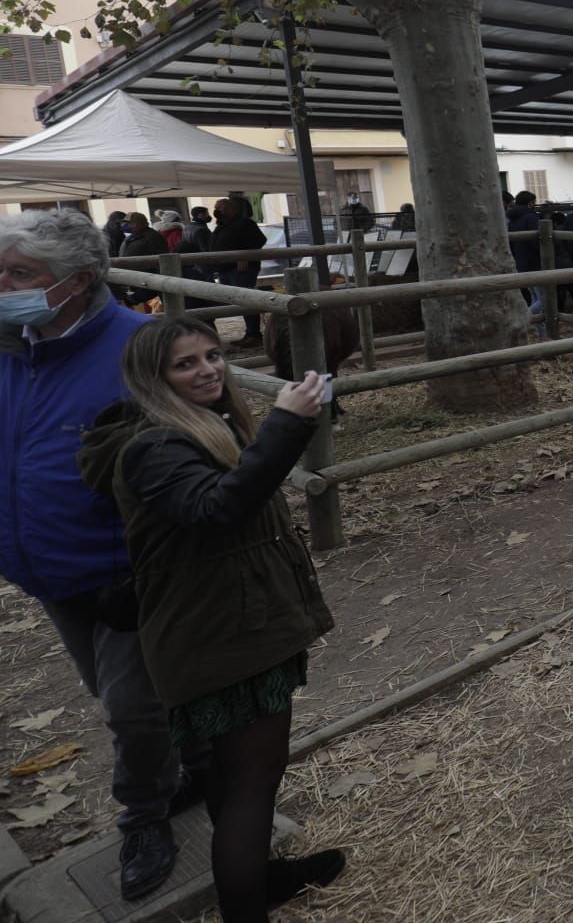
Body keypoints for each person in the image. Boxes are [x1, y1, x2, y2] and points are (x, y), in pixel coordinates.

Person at [79, 317, 343, 921]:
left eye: (212, 355)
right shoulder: (154, 446)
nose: (208, 370)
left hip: (234, 623)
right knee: (254, 782)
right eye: (186, 363)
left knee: (233, 774)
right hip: (224, 635)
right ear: (154, 378)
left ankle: (264, 879)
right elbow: (219, 508)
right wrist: (288, 423)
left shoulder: (198, 428)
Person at [0, 210, 198, 900]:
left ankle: (145, 815)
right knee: (114, 693)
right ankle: (194, 760)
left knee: (130, 708)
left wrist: (160, 559)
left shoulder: (143, 349)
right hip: (47, 569)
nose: (3, 286)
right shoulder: (9, 346)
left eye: (20, 275)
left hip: (129, 576)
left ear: (79, 282)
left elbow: (202, 454)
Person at [210, 198, 267, 344]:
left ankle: (253, 334)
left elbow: (259, 240)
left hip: (241, 269)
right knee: (237, 302)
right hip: (225, 269)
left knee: (245, 300)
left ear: (231, 209)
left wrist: (244, 256)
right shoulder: (221, 226)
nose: (216, 211)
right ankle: (250, 333)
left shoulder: (245, 223)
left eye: (220, 208)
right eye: (216, 207)